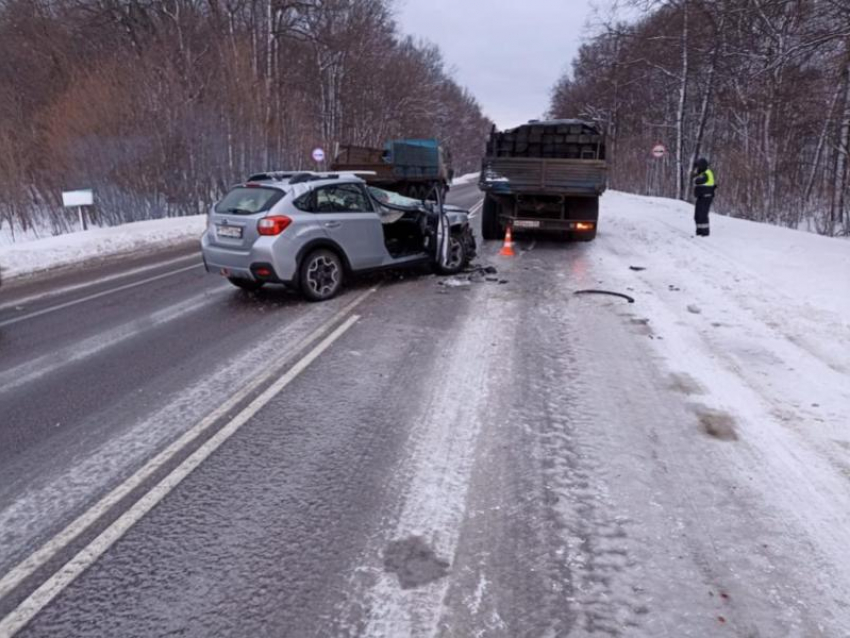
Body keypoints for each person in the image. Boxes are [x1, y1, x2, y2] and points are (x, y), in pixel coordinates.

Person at [692, 158, 716, 236]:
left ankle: (705, 232)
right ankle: (699, 231)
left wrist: (695, 175)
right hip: (701, 197)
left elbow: (697, 181)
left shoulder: (706, 173)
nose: (697, 168)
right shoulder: (703, 173)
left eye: (698, 166)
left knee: (702, 215)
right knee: (697, 215)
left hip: (706, 197)